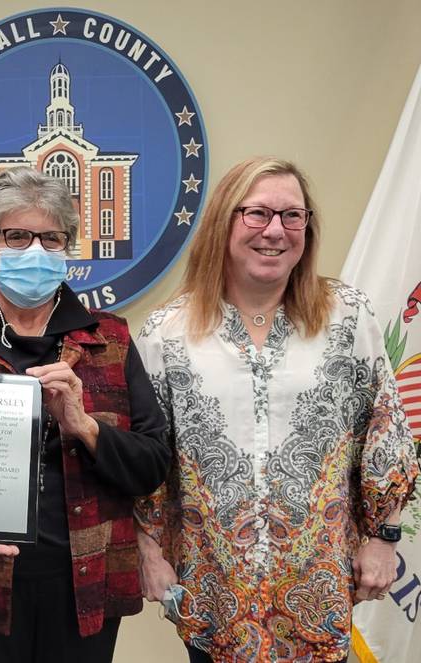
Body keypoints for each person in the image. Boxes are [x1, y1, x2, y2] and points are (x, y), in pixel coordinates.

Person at [134, 156, 420, 662]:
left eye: (293, 216)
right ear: (225, 221)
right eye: (258, 214)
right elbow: (147, 459)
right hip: (214, 597)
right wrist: (149, 552)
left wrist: (384, 539)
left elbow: (385, 434)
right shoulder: (166, 333)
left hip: (319, 593)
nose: (276, 231)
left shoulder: (348, 318)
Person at [0, 166, 172, 663]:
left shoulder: (110, 340)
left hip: (84, 586)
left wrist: (85, 427)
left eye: (51, 238)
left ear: (67, 252)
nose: (35, 250)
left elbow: (153, 465)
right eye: (18, 236)